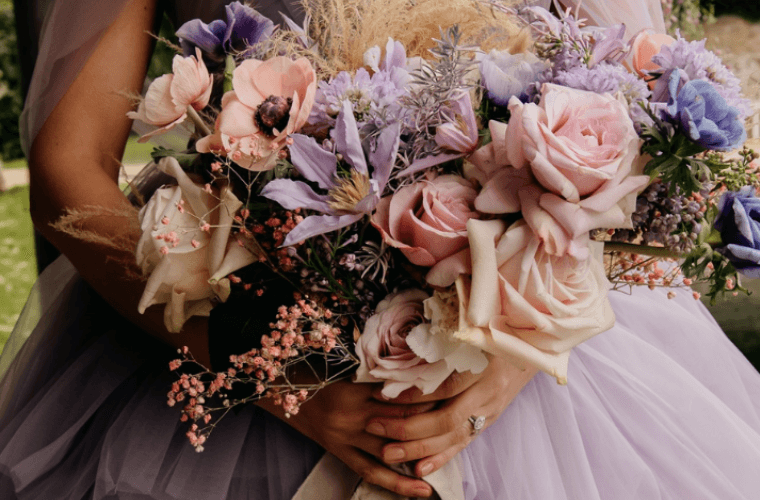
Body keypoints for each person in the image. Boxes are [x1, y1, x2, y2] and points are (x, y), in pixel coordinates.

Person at [1, 1, 760, 499]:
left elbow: (642, 117)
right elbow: (69, 165)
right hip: (228, 340)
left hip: (543, 375)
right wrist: (273, 370)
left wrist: (518, 351)